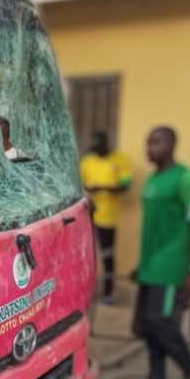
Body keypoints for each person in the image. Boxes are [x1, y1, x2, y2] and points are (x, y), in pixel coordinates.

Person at [125, 126, 190, 379]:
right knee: (148, 324)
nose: (150, 148)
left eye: (157, 142)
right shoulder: (151, 180)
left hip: (172, 263)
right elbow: (154, 228)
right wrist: (141, 265)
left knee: (160, 319)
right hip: (151, 262)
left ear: (172, 145)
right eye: (148, 142)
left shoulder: (187, 179)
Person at [80, 130, 132, 303]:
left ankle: (108, 293)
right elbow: (79, 185)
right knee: (85, 255)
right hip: (86, 216)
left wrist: (102, 188)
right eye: (94, 145)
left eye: (99, 145)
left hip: (107, 217)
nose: (96, 148)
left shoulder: (120, 160)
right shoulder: (87, 161)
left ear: (106, 144)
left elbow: (125, 185)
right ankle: (86, 291)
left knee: (107, 255)